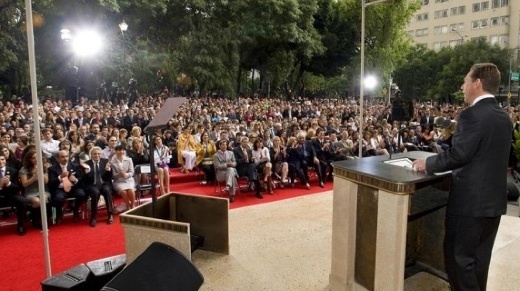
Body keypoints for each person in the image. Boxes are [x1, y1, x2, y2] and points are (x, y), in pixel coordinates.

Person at [412, 63, 511, 291]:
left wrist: (426, 163)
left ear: (477, 83)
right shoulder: (503, 116)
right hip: (493, 203)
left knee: (459, 260)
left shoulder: (472, 115)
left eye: (466, 81)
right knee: (479, 262)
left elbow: (459, 155)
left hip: (470, 204)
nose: (462, 86)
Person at [48, 150, 87, 224]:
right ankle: (59, 213)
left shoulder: (75, 166)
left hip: (73, 188)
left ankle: (75, 209)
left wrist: (75, 180)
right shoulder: (52, 169)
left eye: (66, 156)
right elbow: (51, 183)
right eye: (62, 157)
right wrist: (60, 177)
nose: (65, 158)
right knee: (58, 198)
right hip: (60, 189)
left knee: (82, 195)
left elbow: (81, 178)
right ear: (58, 159)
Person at [83, 146, 114, 227]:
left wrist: (108, 170)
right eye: (95, 154)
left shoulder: (106, 161)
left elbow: (109, 177)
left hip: (104, 184)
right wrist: (87, 173)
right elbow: (84, 179)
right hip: (92, 185)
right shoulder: (86, 164)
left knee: (107, 191)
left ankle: (110, 214)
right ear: (91, 155)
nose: (97, 155)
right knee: (95, 193)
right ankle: (93, 217)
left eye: (99, 154)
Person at [19, 151, 50, 229]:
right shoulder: (24, 169)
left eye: (37, 157)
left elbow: (46, 181)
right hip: (30, 191)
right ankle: (35, 219)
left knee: (43, 199)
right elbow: (24, 184)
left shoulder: (44, 168)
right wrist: (34, 176)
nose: (36, 159)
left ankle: (44, 220)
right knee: (37, 201)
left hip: (43, 190)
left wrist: (40, 171)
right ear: (29, 159)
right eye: (33, 158)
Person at [0, 153, 25, 235]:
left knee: (21, 201)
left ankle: (21, 225)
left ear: (5, 160)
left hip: (10, 195)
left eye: (2, 159)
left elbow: (18, 188)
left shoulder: (13, 171)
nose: (1, 161)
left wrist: (8, 183)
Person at [111, 145, 136, 210]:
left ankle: (133, 206)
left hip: (129, 179)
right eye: (119, 150)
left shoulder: (129, 159)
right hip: (118, 181)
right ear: (116, 151)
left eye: (122, 150)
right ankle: (127, 206)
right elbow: (113, 175)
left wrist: (125, 174)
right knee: (123, 191)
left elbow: (132, 172)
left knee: (131, 190)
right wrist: (119, 174)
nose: (121, 152)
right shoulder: (112, 162)